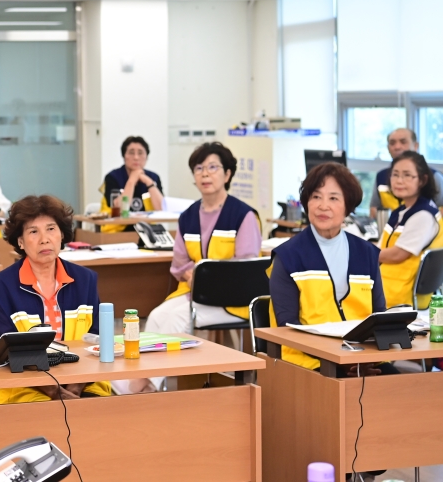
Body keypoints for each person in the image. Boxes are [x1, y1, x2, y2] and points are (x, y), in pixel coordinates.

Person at [133, 143, 261, 393]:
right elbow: (179, 263)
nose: (205, 174)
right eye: (199, 168)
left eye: (213, 167)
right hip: (194, 293)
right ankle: (144, 379)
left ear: (227, 174)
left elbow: (246, 267)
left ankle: (148, 385)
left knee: (175, 318)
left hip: (231, 300)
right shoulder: (188, 216)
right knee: (157, 315)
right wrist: (194, 276)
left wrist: (207, 279)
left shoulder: (243, 215)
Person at [0, 195, 110, 404]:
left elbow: (98, 340)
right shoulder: (2, 287)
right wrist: (54, 392)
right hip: (22, 385)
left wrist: (76, 387)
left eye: (51, 229)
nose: (44, 239)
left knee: (107, 416)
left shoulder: (85, 280)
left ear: (61, 235)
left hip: (83, 380)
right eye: (34, 231)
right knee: (52, 417)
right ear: (20, 242)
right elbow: (5, 352)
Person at [270, 163, 394, 375]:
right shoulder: (288, 256)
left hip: (362, 357)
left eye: (333, 198)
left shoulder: (366, 253)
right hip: (307, 361)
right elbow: (288, 326)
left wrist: (366, 358)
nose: (323, 206)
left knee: (403, 389)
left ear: (348, 206)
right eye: (316, 197)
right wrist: (339, 361)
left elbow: (378, 315)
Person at [378, 151, 443, 309]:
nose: (399, 181)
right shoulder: (401, 211)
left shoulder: (423, 215)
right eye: (395, 174)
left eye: (407, 175)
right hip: (388, 284)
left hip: (398, 294)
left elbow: (397, 255)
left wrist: (361, 252)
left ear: (422, 180)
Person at [370, 128, 443, 218]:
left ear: (416, 146)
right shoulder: (381, 176)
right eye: (392, 143)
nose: (397, 147)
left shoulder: (434, 176)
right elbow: (374, 209)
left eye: (403, 142)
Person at [99, 136, 164, 232]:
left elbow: (161, 209)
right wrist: (132, 180)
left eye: (140, 153)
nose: (136, 157)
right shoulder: (112, 177)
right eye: (131, 153)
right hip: (117, 231)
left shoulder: (154, 177)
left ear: (146, 157)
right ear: (124, 156)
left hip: (148, 230)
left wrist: (149, 183)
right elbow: (120, 209)